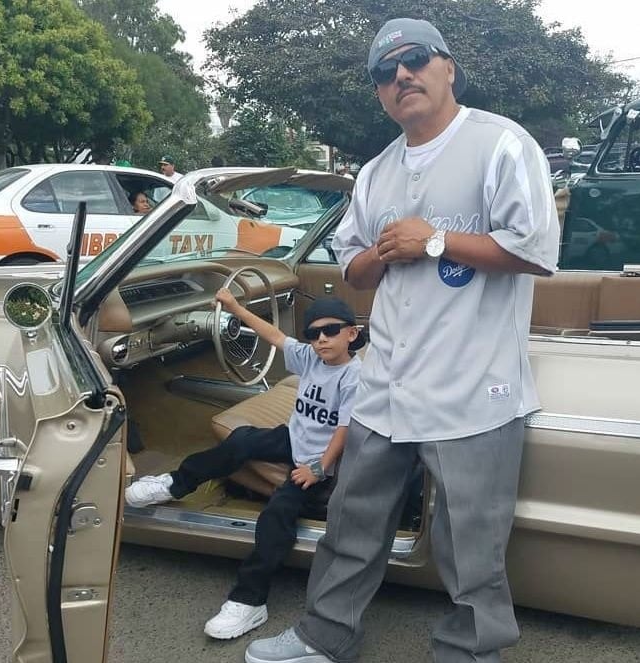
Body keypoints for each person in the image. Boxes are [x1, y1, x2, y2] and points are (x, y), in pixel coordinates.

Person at [246, 16, 559, 663]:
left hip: (473, 385)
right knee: (352, 521)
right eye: (385, 71)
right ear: (379, 92)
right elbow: (354, 269)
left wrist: (434, 241)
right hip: (385, 380)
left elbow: (535, 250)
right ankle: (325, 634)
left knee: (470, 545)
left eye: (414, 59)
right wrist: (384, 253)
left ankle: (469, 652)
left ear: (447, 67)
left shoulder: (500, 144)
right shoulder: (375, 172)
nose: (401, 75)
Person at [125, 293, 363, 641]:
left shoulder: (353, 377)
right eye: (313, 334)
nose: (321, 339)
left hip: (317, 459)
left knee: (277, 514)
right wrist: (236, 309)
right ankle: (175, 483)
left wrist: (318, 468)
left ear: (351, 334)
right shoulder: (310, 357)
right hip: (294, 437)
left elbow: (345, 429)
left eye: (331, 331)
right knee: (239, 441)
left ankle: (249, 600)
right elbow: (275, 336)